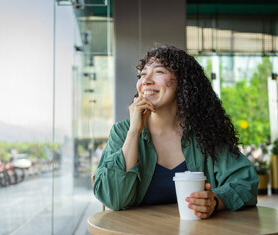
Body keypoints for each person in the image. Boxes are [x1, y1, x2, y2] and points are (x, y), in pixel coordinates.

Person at [93, 45, 259, 219]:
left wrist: (215, 200)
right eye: (142, 74)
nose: (146, 80)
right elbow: (114, 199)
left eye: (159, 72)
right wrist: (134, 131)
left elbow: (246, 182)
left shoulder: (206, 133)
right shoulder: (122, 132)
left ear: (184, 82)